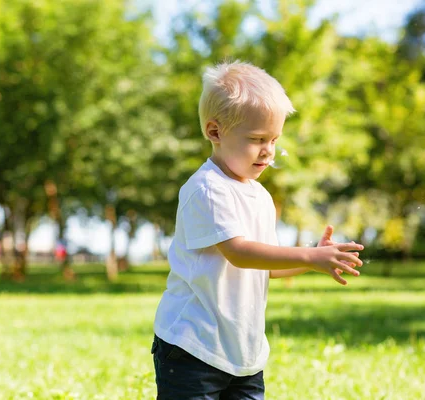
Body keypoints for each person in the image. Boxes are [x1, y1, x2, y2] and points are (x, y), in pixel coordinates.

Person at [151, 60, 364, 399]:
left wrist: (313, 260)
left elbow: (266, 264)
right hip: (193, 347)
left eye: (274, 139)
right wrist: (308, 253)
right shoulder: (208, 188)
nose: (268, 150)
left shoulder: (260, 195)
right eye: (257, 138)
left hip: (242, 352)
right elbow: (239, 252)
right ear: (215, 132)